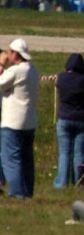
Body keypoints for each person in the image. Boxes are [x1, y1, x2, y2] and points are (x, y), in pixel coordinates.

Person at [0, 38, 38, 197]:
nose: (8, 55)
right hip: (29, 122)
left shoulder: (15, 71)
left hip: (13, 122)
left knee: (11, 159)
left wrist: (1, 65)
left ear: (16, 54)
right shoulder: (33, 70)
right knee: (26, 159)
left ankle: (16, 193)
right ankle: (27, 191)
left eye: (9, 52)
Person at [53, 53, 84, 189]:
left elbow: (58, 87)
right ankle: (78, 182)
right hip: (82, 118)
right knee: (79, 153)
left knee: (64, 152)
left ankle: (62, 183)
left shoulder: (61, 78)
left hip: (64, 117)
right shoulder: (83, 80)